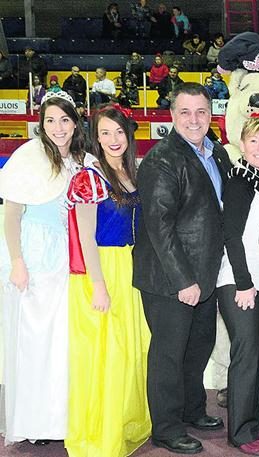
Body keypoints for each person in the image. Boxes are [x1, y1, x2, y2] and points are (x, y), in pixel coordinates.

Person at [133, 83, 233, 455]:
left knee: (198, 349)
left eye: (201, 112)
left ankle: (192, 410)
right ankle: (167, 427)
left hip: (205, 273)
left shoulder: (216, 151)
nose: (194, 120)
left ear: (211, 114)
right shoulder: (162, 160)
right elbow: (159, 228)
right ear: (172, 116)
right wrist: (183, 280)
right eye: (186, 112)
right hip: (171, 279)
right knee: (169, 355)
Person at [64, 104, 151, 457]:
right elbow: (86, 238)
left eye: (118, 132)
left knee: (132, 347)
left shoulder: (133, 172)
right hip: (103, 271)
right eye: (105, 133)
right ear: (95, 138)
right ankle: (103, 431)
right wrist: (98, 285)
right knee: (107, 354)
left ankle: (128, 420)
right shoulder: (89, 177)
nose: (113, 139)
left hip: (130, 270)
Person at [0, 91, 85, 446]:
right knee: (33, 344)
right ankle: (34, 424)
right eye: (50, 120)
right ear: (41, 123)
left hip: (68, 259)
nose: (58, 127)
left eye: (64, 120)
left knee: (62, 345)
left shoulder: (82, 159)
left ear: (75, 122)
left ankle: (60, 421)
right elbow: (11, 213)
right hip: (35, 259)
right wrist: (18, 262)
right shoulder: (28, 156)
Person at [218, 117, 259, 456]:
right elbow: (231, 235)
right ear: (242, 145)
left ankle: (254, 420)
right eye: (255, 142)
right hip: (239, 283)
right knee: (245, 356)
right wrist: (244, 283)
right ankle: (239, 432)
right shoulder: (240, 180)